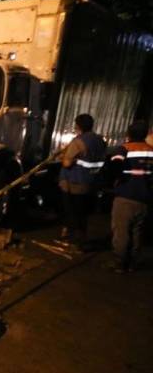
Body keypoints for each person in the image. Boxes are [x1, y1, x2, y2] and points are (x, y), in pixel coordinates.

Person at [108, 120, 153, 272]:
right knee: (137, 231)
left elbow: (114, 168)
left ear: (129, 133)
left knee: (121, 232)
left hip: (125, 196)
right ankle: (133, 262)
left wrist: (118, 180)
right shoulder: (151, 150)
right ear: (145, 135)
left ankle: (119, 263)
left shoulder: (124, 149)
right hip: (145, 198)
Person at [58, 113, 107, 247]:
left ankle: (72, 238)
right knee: (83, 212)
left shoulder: (78, 142)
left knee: (72, 211)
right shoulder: (100, 140)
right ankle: (82, 236)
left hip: (74, 182)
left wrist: (63, 157)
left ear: (78, 126)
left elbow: (67, 163)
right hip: (91, 181)